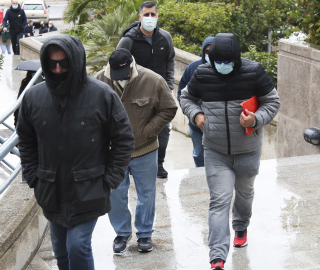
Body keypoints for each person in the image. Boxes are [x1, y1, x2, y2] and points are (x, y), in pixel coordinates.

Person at [16, 34, 135, 270]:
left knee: (77, 245)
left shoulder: (102, 95)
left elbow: (123, 139)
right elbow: (25, 140)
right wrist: (33, 176)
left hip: (89, 189)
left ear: (76, 62)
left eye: (64, 63)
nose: (58, 69)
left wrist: (110, 179)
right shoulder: (33, 97)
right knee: (61, 250)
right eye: (52, 64)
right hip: (51, 190)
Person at [180, 33, 280, 270]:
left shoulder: (254, 72)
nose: (222, 66)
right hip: (215, 151)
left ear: (236, 59)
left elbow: (273, 103)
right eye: (218, 61)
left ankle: (241, 225)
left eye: (227, 62)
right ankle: (217, 259)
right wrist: (197, 115)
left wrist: (255, 120)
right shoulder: (203, 74)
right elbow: (186, 97)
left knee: (244, 195)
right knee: (219, 201)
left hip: (247, 150)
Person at [96, 48, 177, 254]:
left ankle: (144, 234)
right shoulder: (99, 81)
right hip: (114, 152)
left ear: (132, 66)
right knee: (115, 194)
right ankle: (122, 233)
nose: (121, 80)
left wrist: (149, 131)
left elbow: (169, 108)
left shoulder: (153, 80)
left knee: (146, 194)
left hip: (145, 149)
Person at [116, 1, 175, 179]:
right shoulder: (128, 39)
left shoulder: (165, 38)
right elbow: (118, 62)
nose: (150, 18)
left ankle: (159, 163)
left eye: (153, 15)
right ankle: (132, 162)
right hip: (136, 93)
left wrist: (169, 83)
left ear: (157, 16)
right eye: (146, 15)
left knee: (162, 128)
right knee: (134, 128)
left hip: (159, 92)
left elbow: (170, 60)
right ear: (139, 17)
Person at [177, 36, 214, 168]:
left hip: (218, 126)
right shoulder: (193, 68)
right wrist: (194, 114)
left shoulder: (224, 69)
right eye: (207, 51)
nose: (210, 54)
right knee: (199, 154)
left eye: (213, 51)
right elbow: (181, 94)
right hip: (197, 125)